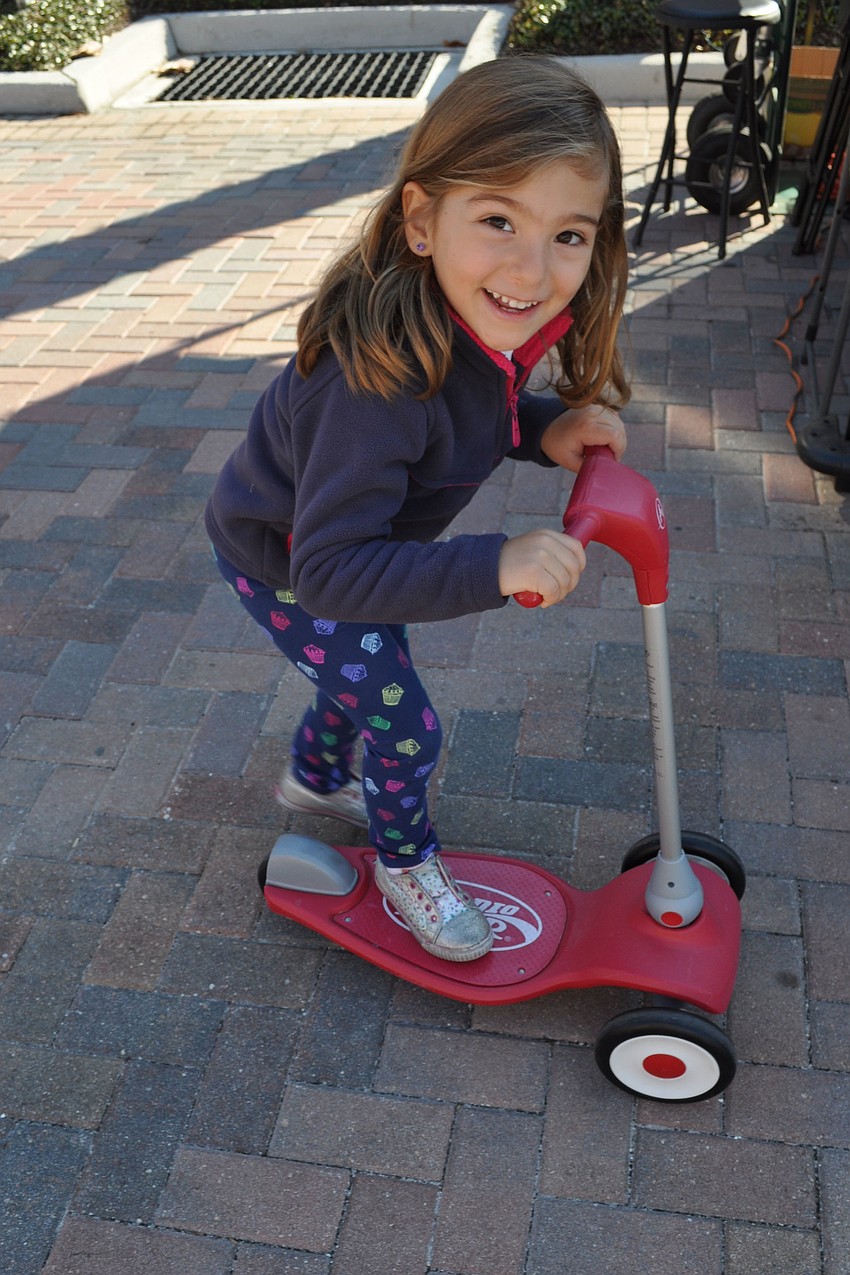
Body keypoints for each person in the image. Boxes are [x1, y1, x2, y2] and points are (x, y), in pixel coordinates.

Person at [204, 54, 630, 964]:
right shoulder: (374, 389)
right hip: (291, 562)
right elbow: (332, 573)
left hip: (347, 550)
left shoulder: (478, 317)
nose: (532, 266)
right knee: (406, 723)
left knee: (364, 672)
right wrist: (495, 563)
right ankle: (405, 865)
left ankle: (316, 776)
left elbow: (477, 409)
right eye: (499, 220)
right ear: (422, 219)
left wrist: (544, 429)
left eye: (569, 235)